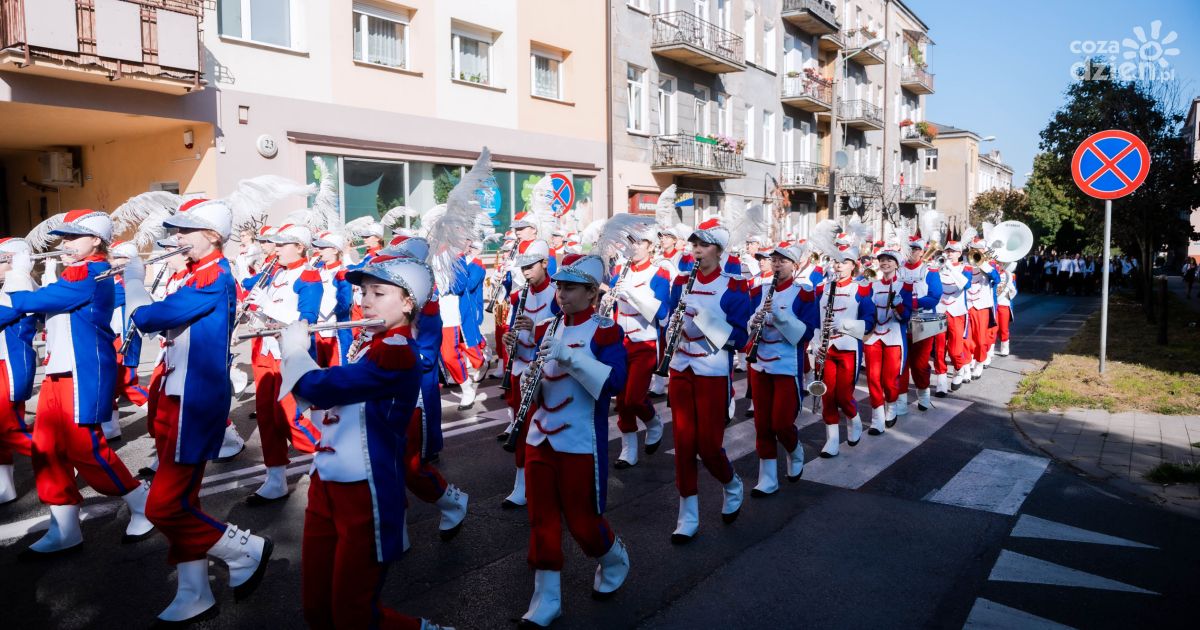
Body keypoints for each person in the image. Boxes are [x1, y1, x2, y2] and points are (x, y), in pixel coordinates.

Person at [278, 255, 453, 630]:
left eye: (379, 292)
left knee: (353, 612)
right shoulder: (369, 343)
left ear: (408, 303)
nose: (365, 300)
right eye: (362, 291)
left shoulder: (397, 352)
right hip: (326, 482)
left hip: (366, 491)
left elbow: (321, 389)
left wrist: (295, 352)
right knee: (316, 607)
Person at [123, 199, 273, 623]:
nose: (176, 239)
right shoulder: (193, 272)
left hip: (194, 400)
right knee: (183, 501)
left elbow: (152, 318)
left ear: (212, 235)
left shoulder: (212, 277)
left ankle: (242, 548)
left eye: (185, 231)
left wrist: (134, 284)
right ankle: (194, 591)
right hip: (176, 395)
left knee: (162, 507)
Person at [0, 210, 153, 556]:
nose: (65, 244)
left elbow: (34, 302)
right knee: (45, 447)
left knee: (86, 448)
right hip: (60, 370)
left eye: (74, 238)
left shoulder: (95, 274)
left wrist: (20, 273)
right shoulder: (76, 273)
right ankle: (65, 526)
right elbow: (40, 305)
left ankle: (140, 499)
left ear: (96, 241)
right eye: (64, 238)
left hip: (84, 370)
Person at [519, 254, 630, 627]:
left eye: (569, 287)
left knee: (583, 524)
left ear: (590, 293)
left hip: (580, 440)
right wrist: (526, 385)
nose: (560, 293)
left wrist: (570, 358)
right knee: (541, 521)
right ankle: (547, 598)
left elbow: (616, 383)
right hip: (540, 437)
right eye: (559, 285)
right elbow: (542, 382)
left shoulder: (606, 331)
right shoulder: (548, 328)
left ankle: (614, 556)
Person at [664, 218, 750, 544]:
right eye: (694, 244)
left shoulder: (734, 286)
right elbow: (673, 321)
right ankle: (688, 514)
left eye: (702, 244)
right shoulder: (680, 281)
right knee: (684, 444)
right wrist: (673, 326)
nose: (696, 250)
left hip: (712, 372)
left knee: (708, 447)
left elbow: (740, 338)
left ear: (718, 248)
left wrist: (701, 317)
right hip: (681, 367)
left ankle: (731, 483)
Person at [243, 223, 324, 505]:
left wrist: (268, 306)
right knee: (266, 417)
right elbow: (248, 291)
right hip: (265, 351)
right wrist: (252, 312)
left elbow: (307, 320)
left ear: (300, 247)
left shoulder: (310, 276)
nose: (275, 249)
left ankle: (326, 454)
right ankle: (275, 479)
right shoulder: (276, 271)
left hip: (289, 353)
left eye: (281, 245)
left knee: (290, 417)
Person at [745, 244, 815, 496]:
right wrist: (753, 321)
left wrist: (780, 318)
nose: (776, 264)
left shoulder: (804, 293)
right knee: (762, 424)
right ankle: (768, 478)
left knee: (782, 423)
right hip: (760, 362)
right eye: (774, 260)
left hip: (786, 364)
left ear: (795, 265)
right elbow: (744, 325)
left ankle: (794, 450)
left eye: (783, 261)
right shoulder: (758, 290)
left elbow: (807, 331)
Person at [801, 232, 874, 458]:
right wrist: (815, 343)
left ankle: (854, 418)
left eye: (844, 262)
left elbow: (870, 319)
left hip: (848, 349)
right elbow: (815, 319)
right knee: (827, 395)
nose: (839, 266)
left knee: (843, 396)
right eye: (836, 261)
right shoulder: (823, 288)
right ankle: (831, 439)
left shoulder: (861, 288)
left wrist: (843, 325)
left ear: (853, 266)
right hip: (825, 349)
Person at [499, 240, 559, 509]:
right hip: (520, 366)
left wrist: (534, 328)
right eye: (522, 268)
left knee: (546, 428)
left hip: (544, 370)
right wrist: (509, 339)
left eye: (530, 267)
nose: (525, 273)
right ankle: (521, 485)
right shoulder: (517, 296)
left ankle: (549, 479)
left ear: (545, 264)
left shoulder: (559, 294)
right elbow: (512, 327)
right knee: (522, 429)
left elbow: (561, 333)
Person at [608, 225, 668, 469]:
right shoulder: (619, 272)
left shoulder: (660, 273)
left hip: (644, 341)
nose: (634, 246)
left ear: (651, 246)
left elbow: (662, 313)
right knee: (621, 401)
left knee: (633, 398)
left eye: (639, 242)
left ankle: (653, 421)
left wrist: (630, 292)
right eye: (631, 241)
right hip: (621, 343)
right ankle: (628, 449)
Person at [0, 237, 38, 505]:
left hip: (11, 365)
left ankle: (62, 455)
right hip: (3, 362)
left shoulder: (19, 286)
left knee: (9, 428)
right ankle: (5, 488)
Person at [862, 242, 914, 433]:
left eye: (888, 260)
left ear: (896, 264)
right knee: (873, 378)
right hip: (874, 337)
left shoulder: (905, 285)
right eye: (882, 260)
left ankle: (891, 406)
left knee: (890, 380)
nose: (884, 263)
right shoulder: (872, 285)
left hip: (893, 336)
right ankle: (877, 417)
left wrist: (899, 305)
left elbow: (906, 316)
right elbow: (866, 310)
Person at [896, 231, 942, 413]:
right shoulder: (897, 269)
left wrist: (914, 302)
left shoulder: (930, 271)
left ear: (922, 252)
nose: (912, 252)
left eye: (915, 249)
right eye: (909, 249)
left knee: (920, 363)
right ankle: (900, 400)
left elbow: (935, 296)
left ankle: (923, 395)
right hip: (900, 320)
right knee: (901, 362)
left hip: (924, 320)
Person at [934, 239, 972, 395]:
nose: (949, 254)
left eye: (953, 251)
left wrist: (950, 267)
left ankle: (959, 369)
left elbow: (967, 284)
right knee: (938, 349)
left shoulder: (966, 268)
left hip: (957, 312)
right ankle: (941, 381)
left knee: (955, 350)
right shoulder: (938, 266)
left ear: (959, 254)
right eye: (947, 251)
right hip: (940, 311)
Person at [964, 237, 1001, 380]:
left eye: (979, 248)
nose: (975, 251)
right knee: (966, 340)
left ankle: (979, 363)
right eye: (973, 248)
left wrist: (983, 264)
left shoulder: (990, 265)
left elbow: (996, 279)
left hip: (982, 306)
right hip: (967, 305)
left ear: (984, 250)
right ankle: (966, 366)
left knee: (980, 339)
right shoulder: (964, 264)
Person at [996, 263, 1018, 356]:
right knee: (992, 329)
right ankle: (989, 352)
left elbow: (1013, 292)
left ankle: (1005, 348)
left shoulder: (1009, 275)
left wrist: (1008, 289)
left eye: (1002, 263)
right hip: (992, 304)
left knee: (1003, 328)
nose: (1000, 264)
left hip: (1004, 303)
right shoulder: (991, 273)